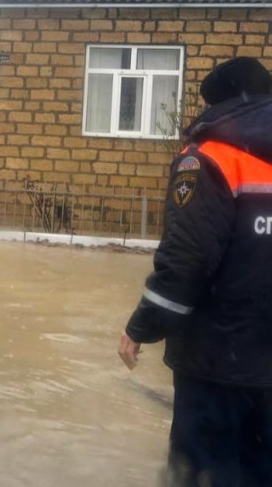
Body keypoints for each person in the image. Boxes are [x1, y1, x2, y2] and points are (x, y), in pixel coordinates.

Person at [117, 56, 272, 486]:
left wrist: (142, 326)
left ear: (218, 104)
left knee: (200, 474)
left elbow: (188, 259)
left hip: (217, 361)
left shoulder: (209, 158)